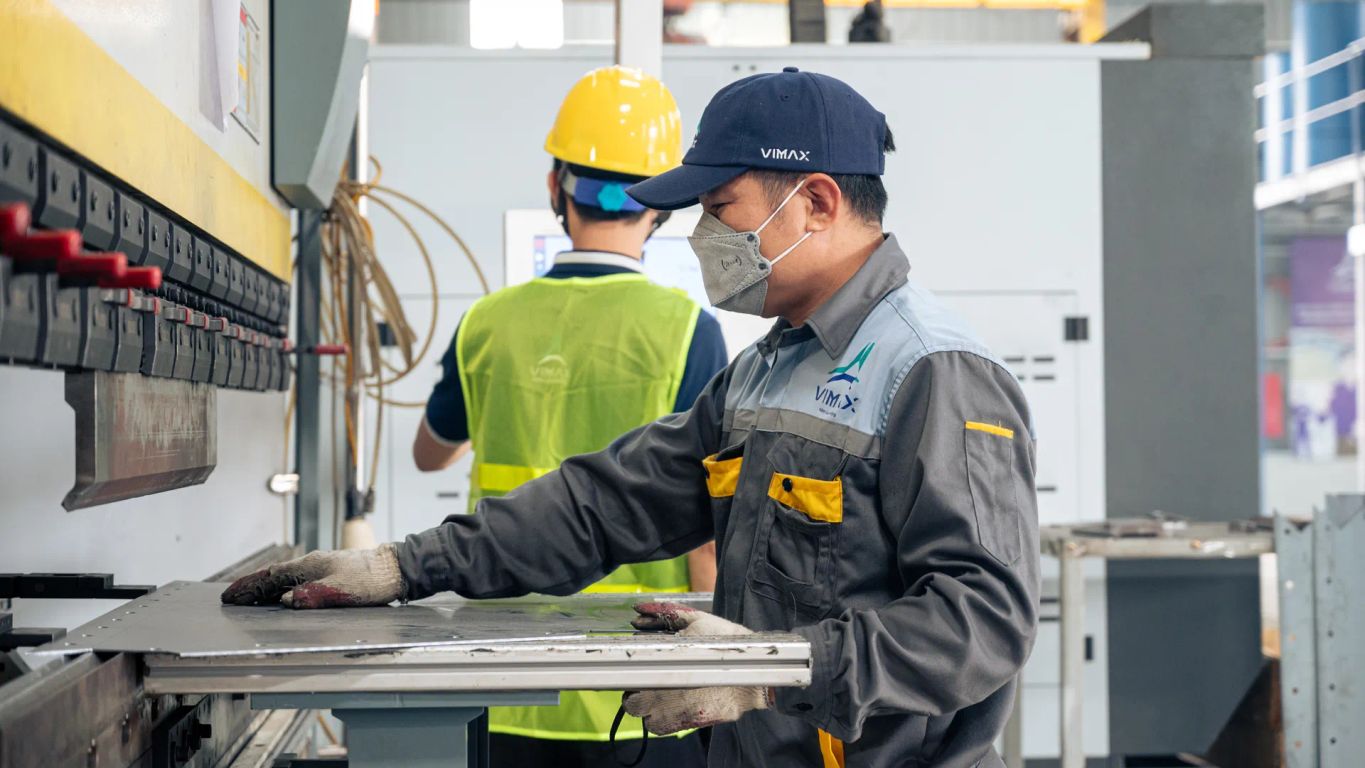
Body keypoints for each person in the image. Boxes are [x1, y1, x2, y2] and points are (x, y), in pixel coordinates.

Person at [225, 67, 1040, 768]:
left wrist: (773, 668)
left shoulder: (932, 374)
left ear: (817, 202)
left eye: (720, 206)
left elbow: (983, 622)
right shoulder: (765, 369)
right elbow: (606, 502)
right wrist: (406, 569)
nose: (702, 234)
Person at [409, 66, 726, 766]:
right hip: (636, 686)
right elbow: (707, 524)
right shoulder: (685, 330)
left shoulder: (486, 324)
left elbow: (430, 453)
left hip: (499, 674)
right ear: (661, 204)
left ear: (556, 187)